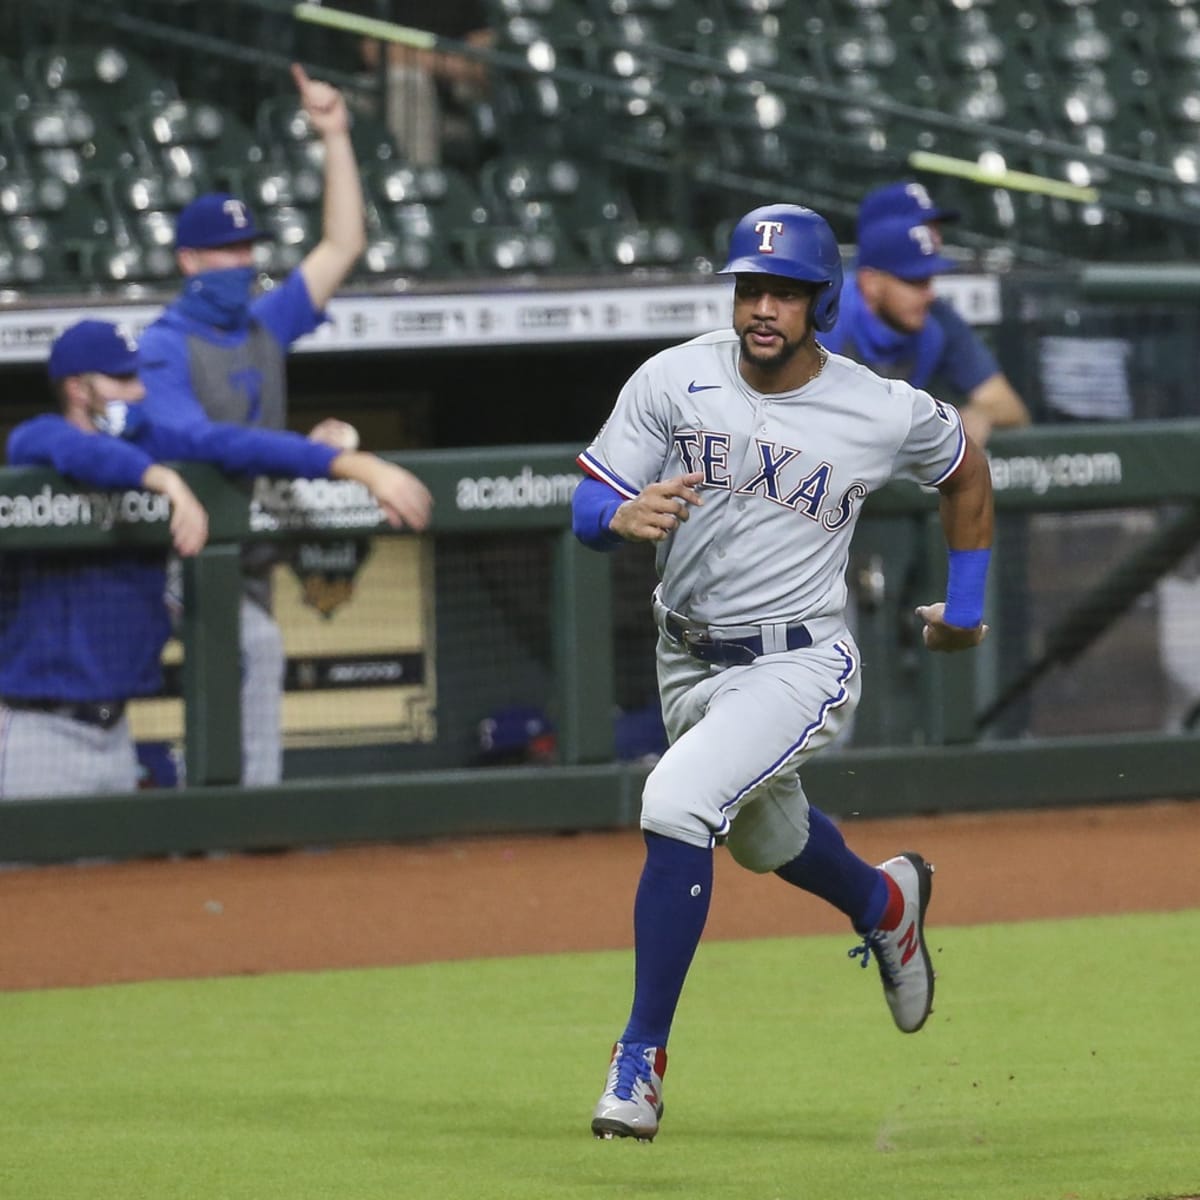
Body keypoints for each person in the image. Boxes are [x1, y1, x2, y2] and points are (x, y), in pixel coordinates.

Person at [571, 204, 994, 1141]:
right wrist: (616, 516)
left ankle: (639, 1061)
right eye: (749, 288)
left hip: (798, 662)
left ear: (823, 302)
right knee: (766, 841)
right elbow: (586, 501)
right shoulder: (674, 377)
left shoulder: (877, 407)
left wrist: (965, 612)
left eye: (785, 293)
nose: (762, 308)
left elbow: (966, 469)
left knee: (677, 802)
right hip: (685, 659)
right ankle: (887, 903)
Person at [0, 320, 432, 801]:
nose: (139, 390)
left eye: (138, 376)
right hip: (34, 734)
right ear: (79, 388)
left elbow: (241, 445)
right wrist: (163, 481)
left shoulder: (152, 440)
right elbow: (77, 453)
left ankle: (249, 816)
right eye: (122, 380)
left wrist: (357, 466)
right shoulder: (38, 440)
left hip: (116, 736)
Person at [137, 62, 368, 786]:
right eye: (224, 252)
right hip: (172, 552)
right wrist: (310, 452)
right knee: (245, 658)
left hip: (247, 554)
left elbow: (341, 248)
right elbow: (191, 439)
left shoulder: (264, 323)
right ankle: (244, 813)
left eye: (246, 249)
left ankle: (228, 818)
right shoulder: (163, 342)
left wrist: (334, 135)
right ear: (188, 260)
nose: (240, 262)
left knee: (246, 678)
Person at [822, 180, 1031, 448]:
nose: (934, 238)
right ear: (871, 282)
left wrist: (981, 414)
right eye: (914, 280)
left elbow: (1012, 410)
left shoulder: (936, 320)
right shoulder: (820, 318)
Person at [344, 0, 494, 165]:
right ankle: (418, 178)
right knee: (408, 79)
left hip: (452, 91)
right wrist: (451, 63)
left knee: (501, 71)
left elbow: (486, 40)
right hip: (365, 89)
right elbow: (374, 50)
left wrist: (468, 60)